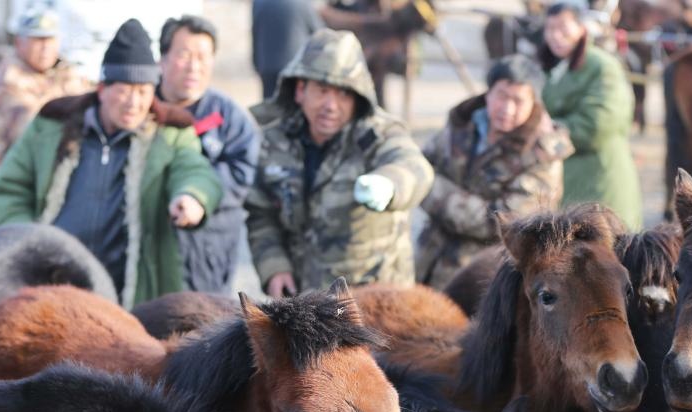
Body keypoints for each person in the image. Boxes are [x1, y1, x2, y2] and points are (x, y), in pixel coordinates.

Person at [0, 19, 221, 309]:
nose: (134, 103)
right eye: (124, 89)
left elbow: (195, 171)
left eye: (143, 91)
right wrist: (26, 240)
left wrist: (191, 197)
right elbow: (11, 187)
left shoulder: (171, 134)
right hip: (52, 278)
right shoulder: (51, 127)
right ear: (102, 89)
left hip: (131, 289)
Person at [245, 29, 434, 298]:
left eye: (344, 94)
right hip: (304, 303)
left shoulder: (377, 134)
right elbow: (261, 213)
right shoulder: (274, 141)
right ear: (300, 90)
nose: (331, 105)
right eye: (322, 91)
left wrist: (390, 184)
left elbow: (414, 167)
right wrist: (274, 267)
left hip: (374, 303)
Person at [416, 55, 574, 289]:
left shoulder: (542, 156)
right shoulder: (463, 124)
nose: (507, 108)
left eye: (518, 100)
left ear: (535, 103)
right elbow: (420, 165)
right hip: (427, 261)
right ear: (488, 93)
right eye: (501, 96)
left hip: (483, 277)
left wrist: (431, 189)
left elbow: (504, 224)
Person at [158, 15, 261, 293]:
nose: (194, 66)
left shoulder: (229, 116)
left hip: (209, 250)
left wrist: (198, 198)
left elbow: (244, 172)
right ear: (162, 59)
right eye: (184, 55)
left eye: (203, 57)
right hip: (152, 243)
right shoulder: (143, 108)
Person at [538, 0, 643, 230]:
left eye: (563, 28)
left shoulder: (602, 66)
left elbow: (598, 124)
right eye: (550, 29)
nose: (556, 35)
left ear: (581, 29)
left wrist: (546, 129)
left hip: (600, 176)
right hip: (572, 176)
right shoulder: (559, 66)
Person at [0, 7, 89, 164]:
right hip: (24, 173)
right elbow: (34, 132)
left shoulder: (65, 71)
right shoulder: (9, 81)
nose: (45, 47)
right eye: (38, 40)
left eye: (50, 39)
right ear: (19, 43)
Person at [252, 0, 324, 98]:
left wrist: (256, 63)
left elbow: (255, 31)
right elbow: (320, 34)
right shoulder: (302, 2)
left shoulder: (259, 2)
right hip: (293, 67)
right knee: (292, 107)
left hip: (267, 65)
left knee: (269, 106)